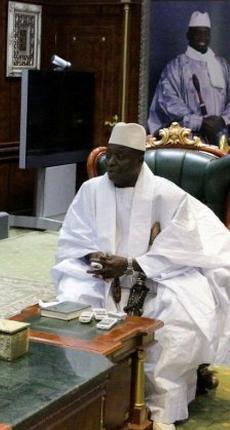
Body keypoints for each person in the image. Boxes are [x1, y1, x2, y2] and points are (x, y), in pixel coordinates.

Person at [52, 123, 230, 430]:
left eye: (121, 157)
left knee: (179, 313)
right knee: (71, 296)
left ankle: (160, 404)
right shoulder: (90, 190)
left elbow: (182, 248)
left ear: (139, 160)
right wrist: (93, 256)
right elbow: (74, 236)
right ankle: (92, 393)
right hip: (101, 277)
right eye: (109, 155)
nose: (112, 163)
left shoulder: (168, 195)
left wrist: (133, 265)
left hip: (157, 277)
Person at [147, 11, 230, 147]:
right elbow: (168, 103)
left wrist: (222, 120)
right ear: (188, 35)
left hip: (219, 138)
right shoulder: (176, 67)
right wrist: (200, 122)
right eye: (197, 32)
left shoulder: (223, 66)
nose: (202, 37)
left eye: (206, 33)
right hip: (188, 140)